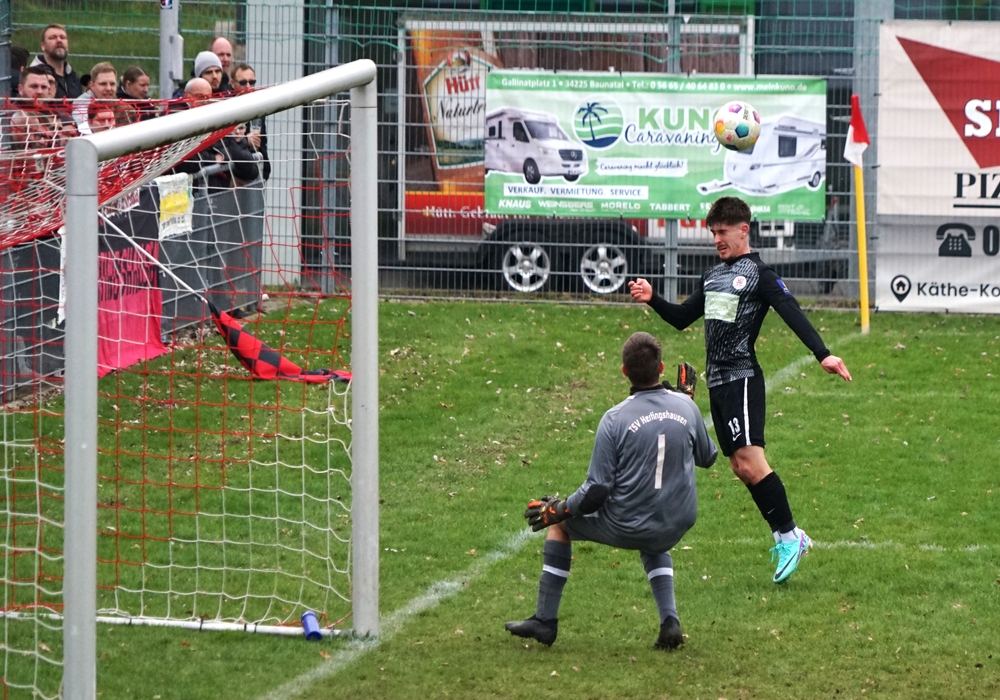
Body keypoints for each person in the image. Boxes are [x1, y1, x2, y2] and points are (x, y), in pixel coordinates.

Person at [628, 196, 852, 585]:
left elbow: (790, 310)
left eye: (723, 232)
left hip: (742, 378)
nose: (717, 239)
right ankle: (786, 536)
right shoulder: (713, 276)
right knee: (740, 467)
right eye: (713, 232)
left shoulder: (759, 274)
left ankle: (790, 537)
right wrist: (653, 299)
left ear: (743, 230)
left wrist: (823, 354)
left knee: (750, 461)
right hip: (717, 382)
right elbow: (682, 318)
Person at [505, 332, 717, 650]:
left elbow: (596, 493)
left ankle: (545, 621)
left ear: (624, 372)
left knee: (560, 526)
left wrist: (558, 509)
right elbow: (708, 457)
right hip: (676, 522)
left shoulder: (614, 419)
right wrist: (687, 403)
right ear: (661, 368)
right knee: (654, 536)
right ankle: (670, 622)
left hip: (631, 524)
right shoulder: (686, 406)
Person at [231, 62, 270, 180]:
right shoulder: (226, 108)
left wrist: (265, 170)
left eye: (252, 82)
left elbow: (262, 143)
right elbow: (225, 145)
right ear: (232, 83)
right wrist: (245, 140)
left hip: (256, 171)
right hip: (234, 173)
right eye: (243, 83)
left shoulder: (258, 107)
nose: (248, 86)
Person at [29, 24, 82, 98]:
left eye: (62, 37)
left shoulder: (74, 77)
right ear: (43, 46)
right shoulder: (32, 76)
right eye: (53, 37)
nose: (59, 40)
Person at [72, 62, 117, 135]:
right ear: (92, 85)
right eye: (103, 84)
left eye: (112, 84)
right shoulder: (81, 107)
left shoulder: (122, 105)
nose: (109, 88)